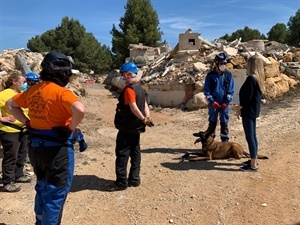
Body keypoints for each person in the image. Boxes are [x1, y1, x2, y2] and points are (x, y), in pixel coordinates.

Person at [6, 51, 86, 225]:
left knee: (42, 188)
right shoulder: (61, 93)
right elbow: (80, 109)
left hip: (36, 148)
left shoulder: (34, 90)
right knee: (55, 195)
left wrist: (27, 122)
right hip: (57, 151)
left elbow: (10, 104)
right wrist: (70, 129)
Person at [110, 61, 154, 191]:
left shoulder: (129, 89)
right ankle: (134, 180)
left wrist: (143, 118)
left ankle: (121, 182)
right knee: (135, 152)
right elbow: (145, 104)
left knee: (122, 154)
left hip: (127, 127)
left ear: (129, 74)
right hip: (137, 128)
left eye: (124, 75)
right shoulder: (140, 88)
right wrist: (147, 117)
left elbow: (134, 108)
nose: (123, 77)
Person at [0, 72, 32, 192]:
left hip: (23, 129)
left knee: (22, 153)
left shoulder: (21, 94)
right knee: (11, 155)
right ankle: (7, 181)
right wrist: (2, 118)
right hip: (9, 130)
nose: (25, 84)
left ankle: (18, 174)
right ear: (14, 82)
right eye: (23, 82)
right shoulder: (4, 94)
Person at [194, 52, 234, 142]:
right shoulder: (210, 76)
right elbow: (207, 91)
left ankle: (224, 142)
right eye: (221, 63)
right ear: (216, 64)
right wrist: (212, 101)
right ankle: (210, 141)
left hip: (224, 103)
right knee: (212, 121)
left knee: (224, 122)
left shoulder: (228, 75)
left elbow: (231, 90)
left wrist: (226, 102)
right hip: (214, 103)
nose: (223, 65)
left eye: (224, 63)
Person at [235, 54, 265, 171]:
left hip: (248, 111)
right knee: (253, 136)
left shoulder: (250, 79)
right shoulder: (258, 79)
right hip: (254, 111)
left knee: (250, 136)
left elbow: (246, 98)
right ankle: (254, 159)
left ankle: (253, 164)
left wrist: (238, 108)